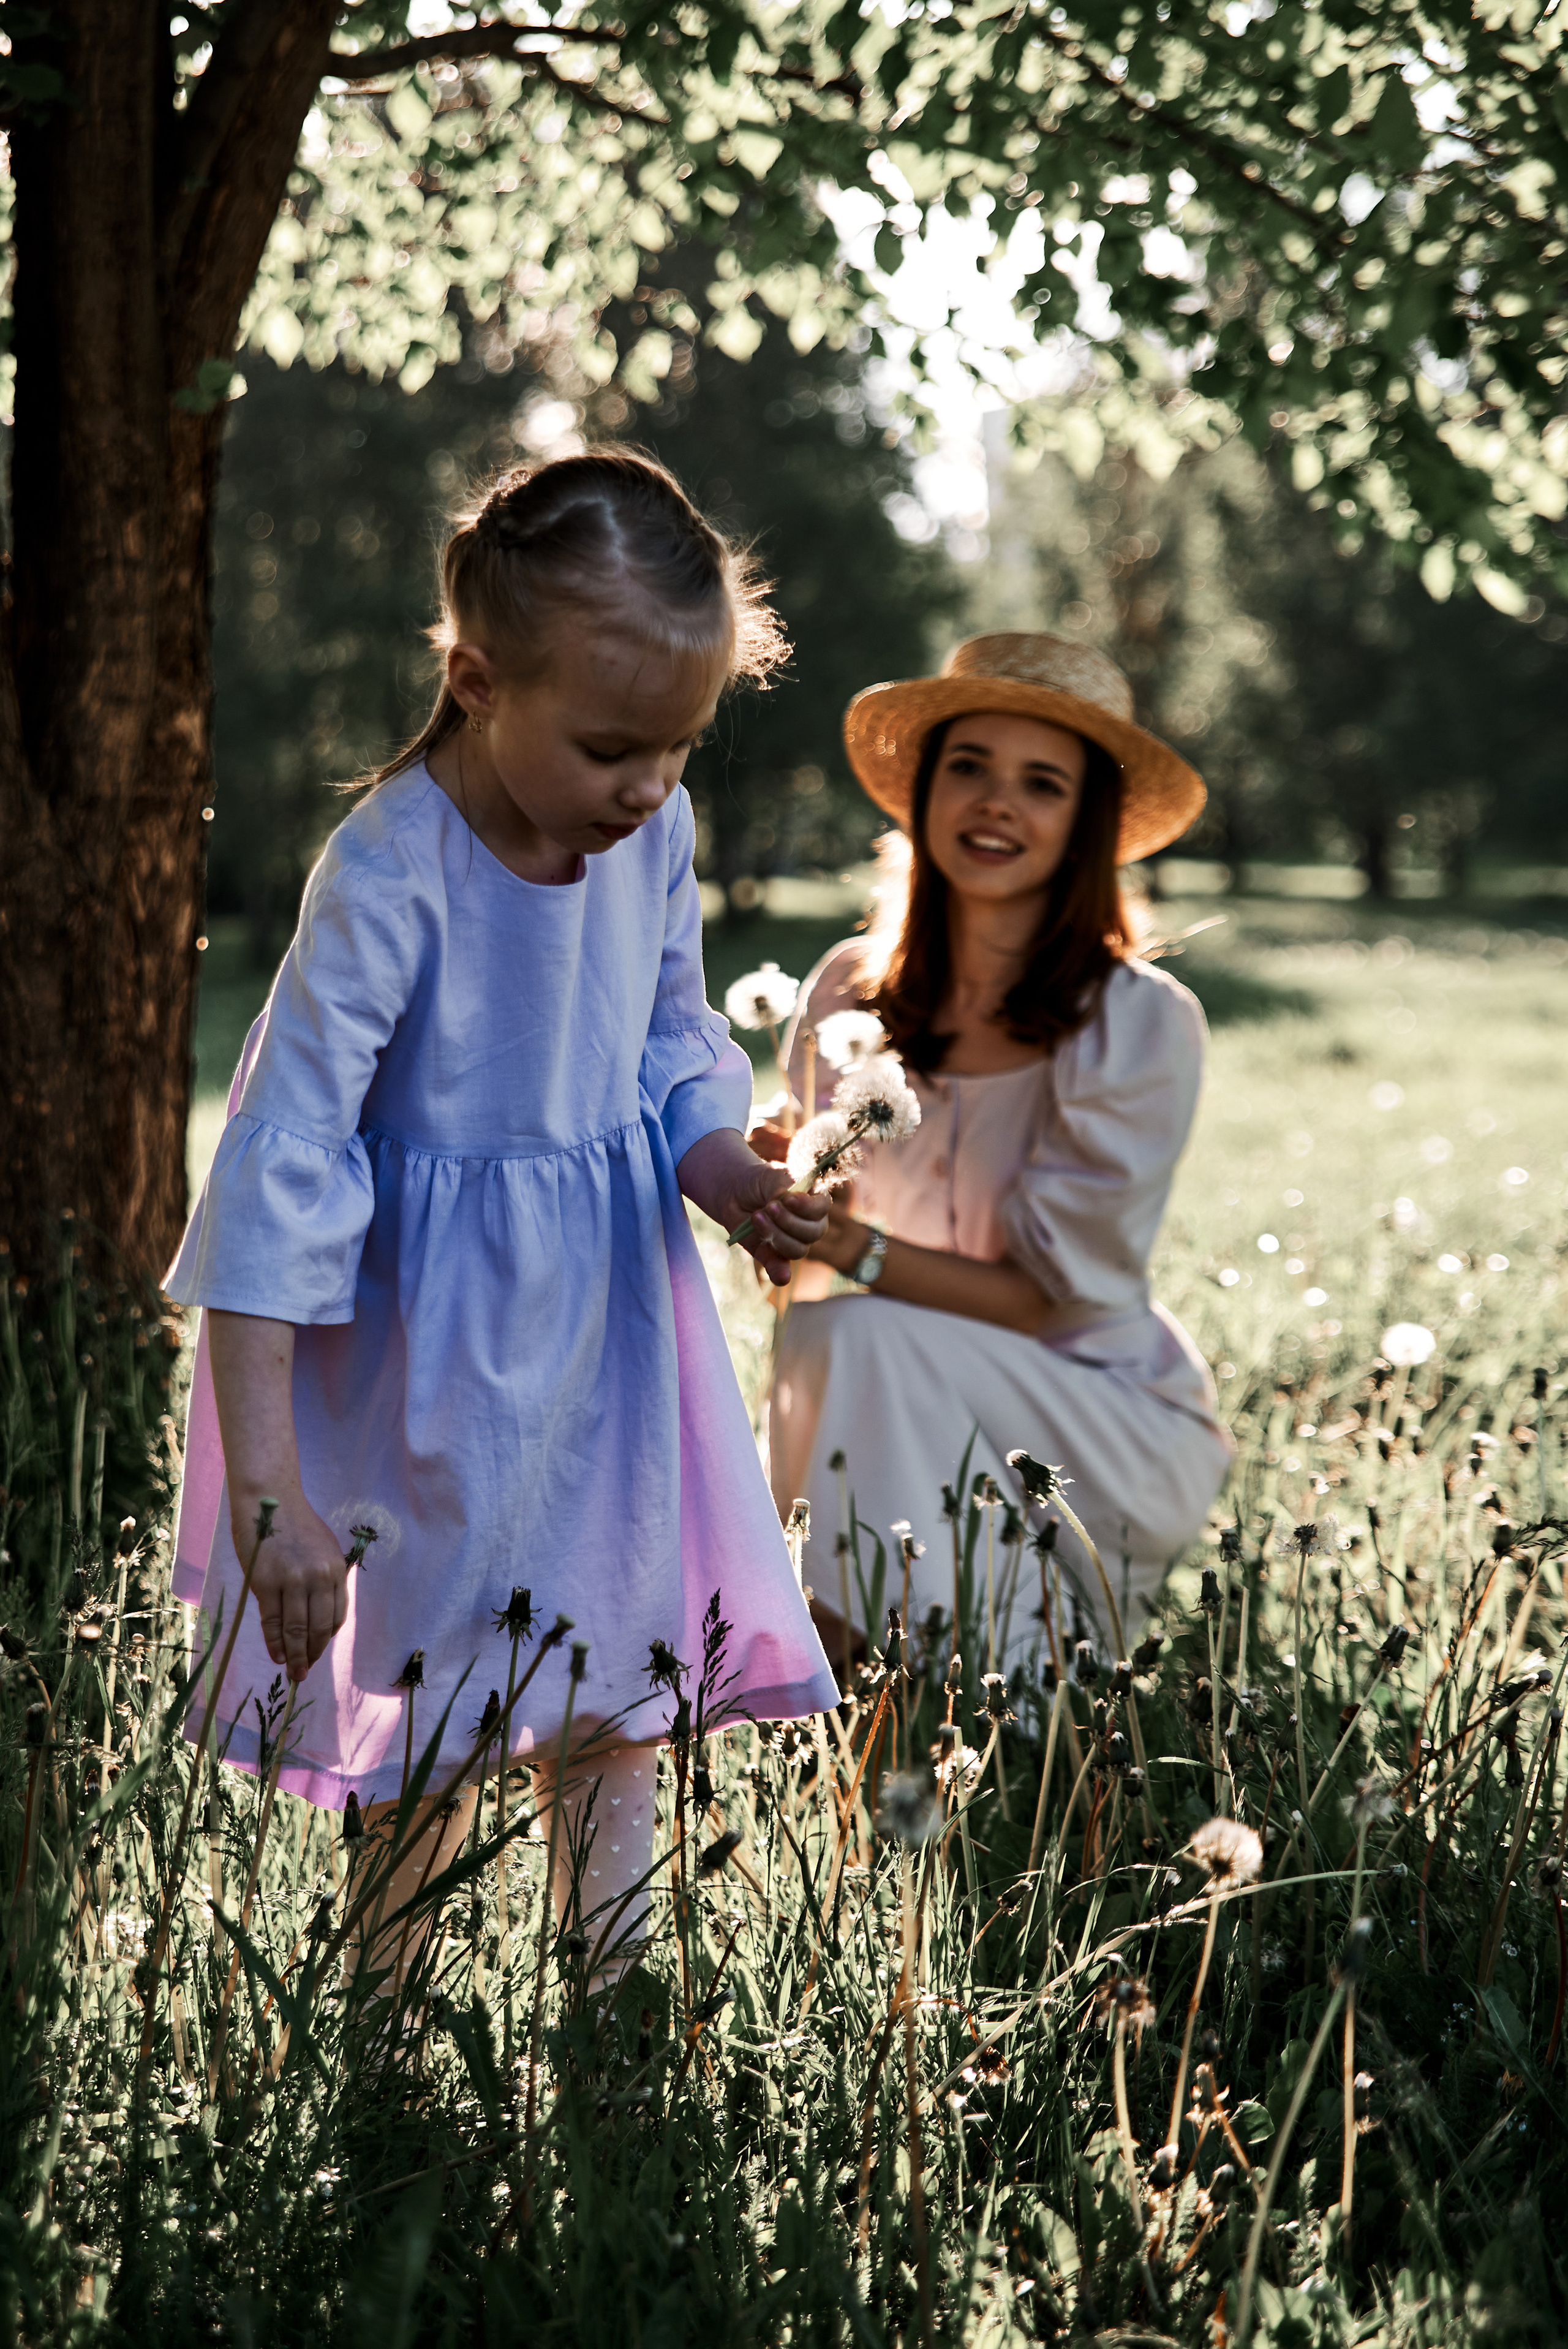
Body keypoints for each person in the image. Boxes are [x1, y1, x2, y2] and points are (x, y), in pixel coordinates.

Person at [165, 451, 837, 1981]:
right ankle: (389, 2048)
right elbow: (281, 1169)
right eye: (612, 748)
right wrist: (270, 1486)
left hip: (602, 1332)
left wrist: (722, 1167)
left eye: (677, 750)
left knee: (613, 1684)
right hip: (429, 1357)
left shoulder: (645, 838)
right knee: (430, 1709)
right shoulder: (388, 872)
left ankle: (611, 2023)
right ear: (475, 681)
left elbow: (671, 1034)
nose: (651, 789)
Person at [765, 633, 1232, 1675]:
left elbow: (1043, 1300)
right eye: (968, 766)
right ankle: (891, 1674)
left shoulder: (1135, 1021)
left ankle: (974, 1672)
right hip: (889, 1387)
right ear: (925, 788)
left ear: (1086, 824)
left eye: (1043, 783)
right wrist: (780, 1192)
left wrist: (849, 1248)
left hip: (1093, 1419)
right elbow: (797, 1265)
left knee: (856, 1336)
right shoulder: (848, 986)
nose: (996, 803)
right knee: (834, 1335)